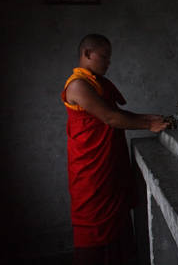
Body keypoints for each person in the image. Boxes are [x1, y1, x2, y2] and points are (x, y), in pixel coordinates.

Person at [61, 34, 169, 264]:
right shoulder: (78, 85)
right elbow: (110, 118)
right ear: (87, 54)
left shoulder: (97, 83)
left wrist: (145, 117)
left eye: (110, 58)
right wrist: (149, 125)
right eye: (104, 56)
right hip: (90, 173)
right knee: (94, 230)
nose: (108, 62)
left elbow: (115, 113)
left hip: (108, 168)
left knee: (118, 230)